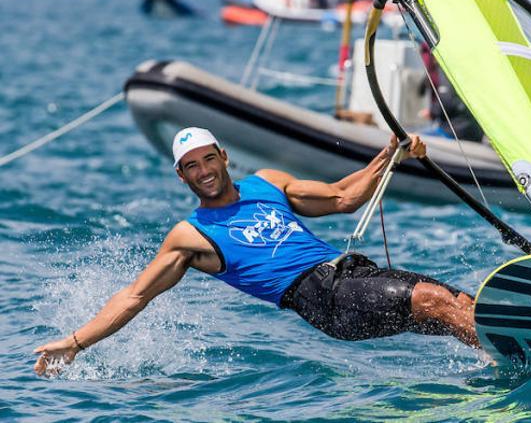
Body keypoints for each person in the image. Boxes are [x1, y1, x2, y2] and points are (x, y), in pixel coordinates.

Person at [33, 127, 478, 376]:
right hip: (323, 300)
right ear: (181, 176)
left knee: (462, 306)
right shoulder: (190, 236)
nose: (203, 171)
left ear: (224, 156)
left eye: (208, 159)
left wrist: (392, 154)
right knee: (432, 301)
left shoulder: (268, 183)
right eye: (191, 166)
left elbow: (343, 197)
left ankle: (517, 353)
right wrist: (75, 344)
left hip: (354, 275)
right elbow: (134, 296)